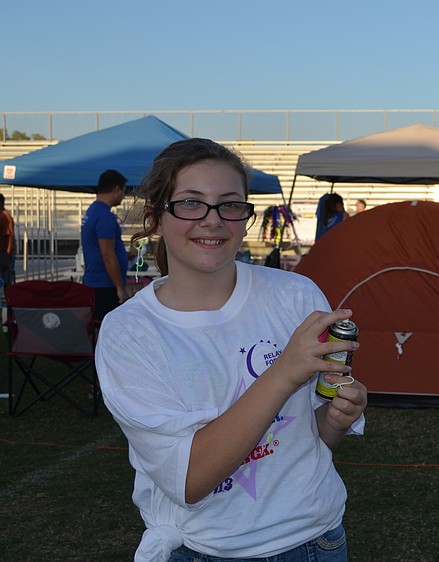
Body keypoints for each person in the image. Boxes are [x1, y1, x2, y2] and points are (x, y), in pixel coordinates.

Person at [95, 138, 367, 562]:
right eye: (190, 203)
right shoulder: (130, 332)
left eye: (230, 204)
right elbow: (191, 480)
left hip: (317, 540)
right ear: (155, 217)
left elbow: (309, 443)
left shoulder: (296, 296)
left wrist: (336, 417)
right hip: (207, 549)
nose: (212, 220)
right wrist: (282, 373)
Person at [81, 169, 129, 320]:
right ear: (116, 189)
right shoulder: (104, 216)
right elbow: (107, 254)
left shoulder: (93, 210)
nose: (123, 196)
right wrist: (119, 287)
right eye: (123, 191)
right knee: (107, 328)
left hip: (97, 282)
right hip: (105, 284)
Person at [0, 193, 16, 286]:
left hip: (4, 253)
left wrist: (6, 255)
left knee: (5, 279)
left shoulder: (5, 217)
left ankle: (6, 298)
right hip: (3, 252)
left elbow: (9, 237)